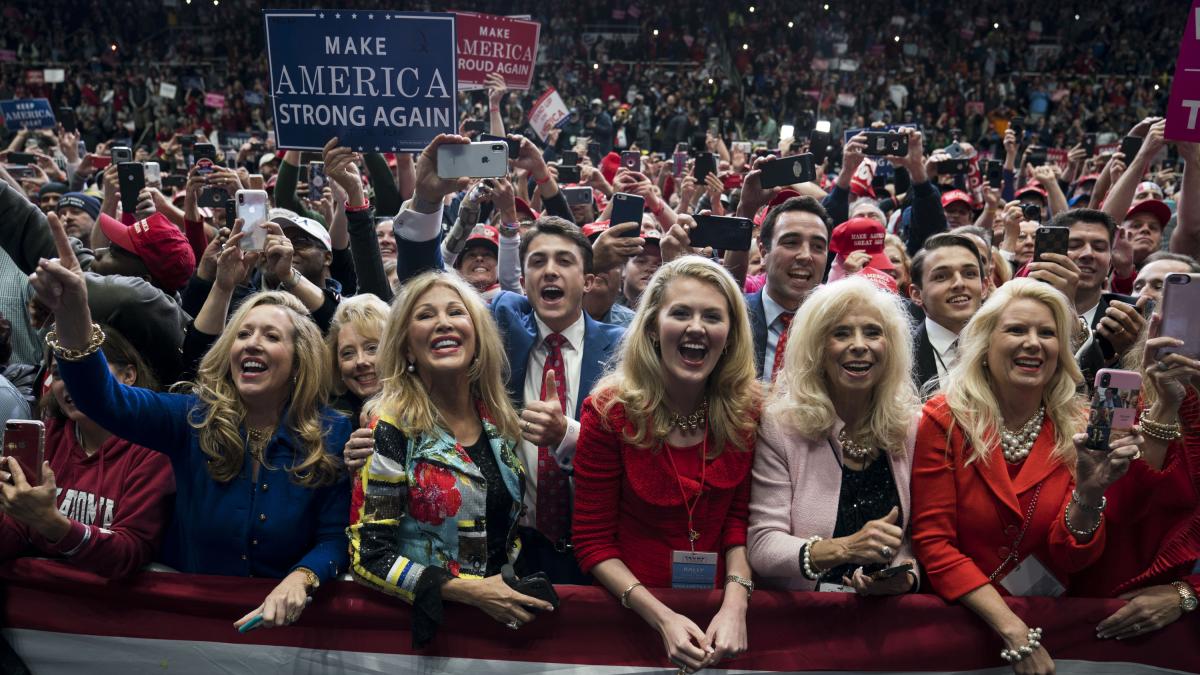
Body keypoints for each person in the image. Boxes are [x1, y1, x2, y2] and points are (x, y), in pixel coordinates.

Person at [29, 212, 350, 631]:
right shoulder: (190, 417)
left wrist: (303, 577)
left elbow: (334, 538)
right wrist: (74, 316)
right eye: (243, 333)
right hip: (189, 632)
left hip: (289, 634)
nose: (252, 343)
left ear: (299, 361)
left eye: (271, 336)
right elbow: (102, 400)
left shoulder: (333, 433)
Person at [391, 134, 624, 583]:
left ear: (589, 280)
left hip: (600, 556)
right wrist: (426, 198)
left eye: (564, 262)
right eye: (537, 262)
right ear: (523, 275)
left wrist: (569, 435)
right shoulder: (501, 321)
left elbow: (641, 451)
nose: (550, 271)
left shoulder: (622, 347)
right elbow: (425, 285)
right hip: (506, 554)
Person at [911, 278, 1143, 673]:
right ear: (986, 344)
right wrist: (1013, 630)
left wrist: (1088, 492)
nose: (1033, 343)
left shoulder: (1082, 428)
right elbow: (934, 543)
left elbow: (1070, 557)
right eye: (1016, 330)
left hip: (1052, 629)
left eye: (1047, 333)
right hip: (957, 629)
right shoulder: (943, 419)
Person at [573, 256, 760, 673]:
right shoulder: (609, 412)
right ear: (654, 328)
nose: (696, 327)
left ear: (729, 336)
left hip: (719, 624)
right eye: (681, 313)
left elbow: (739, 522)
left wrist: (735, 604)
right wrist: (662, 619)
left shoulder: (748, 413)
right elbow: (592, 540)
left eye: (712, 316)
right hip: (630, 620)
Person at [348, 271, 553, 646]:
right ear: (408, 347)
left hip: (504, 629)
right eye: (425, 315)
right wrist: (466, 591)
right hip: (434, 636)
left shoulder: (497, 417)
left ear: (477, 336)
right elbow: (368, 556)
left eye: (456, 312)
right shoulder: (390, 428)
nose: (443, 322)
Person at [748, 276, 921, 594]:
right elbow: (762, 545)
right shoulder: (781, 425)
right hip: (805, 618)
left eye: (873, 332)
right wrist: (844, 549)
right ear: (817, 349)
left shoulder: (909, 426)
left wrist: (903, 577)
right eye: (841, 333)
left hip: (884, 617)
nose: (859, 344)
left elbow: (915, 541)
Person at [0, 327, 174, 579]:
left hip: (112, 610)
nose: (72, 382)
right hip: (41, 604)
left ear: (129, 375)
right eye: (60, 373)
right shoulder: (47, 438)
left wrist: (51, 523)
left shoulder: (153, 449)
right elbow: (14, 539)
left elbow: (128, 554)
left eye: (88, 371)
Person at [1071, 317, 1200, 640]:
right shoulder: (1117, 394)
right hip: (1097, 611)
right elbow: (1118, 510)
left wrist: (1185, 593)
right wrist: (1165, 407)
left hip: (1183, 627)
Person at [744, 196, 832, 381]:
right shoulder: (736, 318)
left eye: (817, 246)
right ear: (763, 252)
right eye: (791, 243)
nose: (805, 256)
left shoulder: (837, 327)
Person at [908, 233, 987, 393]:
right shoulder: (900, 356)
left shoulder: (1001, 347)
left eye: (969, 274)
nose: (959, 283)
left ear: (984, 287)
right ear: (917, 294)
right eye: (941, 276)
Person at [326, 293, 389, 426]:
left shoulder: (429, 403)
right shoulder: (328, 425)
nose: (360, 361)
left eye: (372, 348)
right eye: (348, 353)